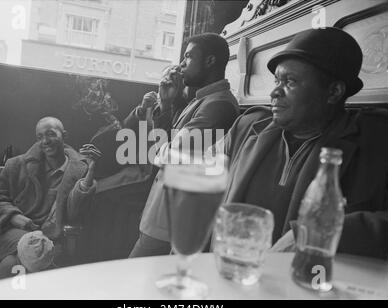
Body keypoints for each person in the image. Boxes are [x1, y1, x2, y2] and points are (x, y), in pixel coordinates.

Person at [214, 27, 388, 259]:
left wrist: (314, 233)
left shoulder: (376, 141)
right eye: (277, 80)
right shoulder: (246, 127)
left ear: (334, 92)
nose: (275, 91)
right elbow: (201, 189)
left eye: (290, 81)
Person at [129, 33, 240, 258]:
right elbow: (163, 145)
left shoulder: (219, 105)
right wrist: (167, 103)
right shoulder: (201, 100)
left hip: (174, 218)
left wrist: (161, 151)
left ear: (210, 61)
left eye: (188, 57)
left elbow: (167, 154)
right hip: (163, 211)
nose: (181, 65)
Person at [0, 117, 88, 275]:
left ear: (64, 135)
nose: (45, 141)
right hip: (10, 230)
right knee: (35, 252)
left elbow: (78, 212)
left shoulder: (78, 172)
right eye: (40, 136)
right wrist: (15, 217)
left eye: (51, 134)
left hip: (51, 235)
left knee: (17, 263)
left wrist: (90, 172)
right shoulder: (16, 165)